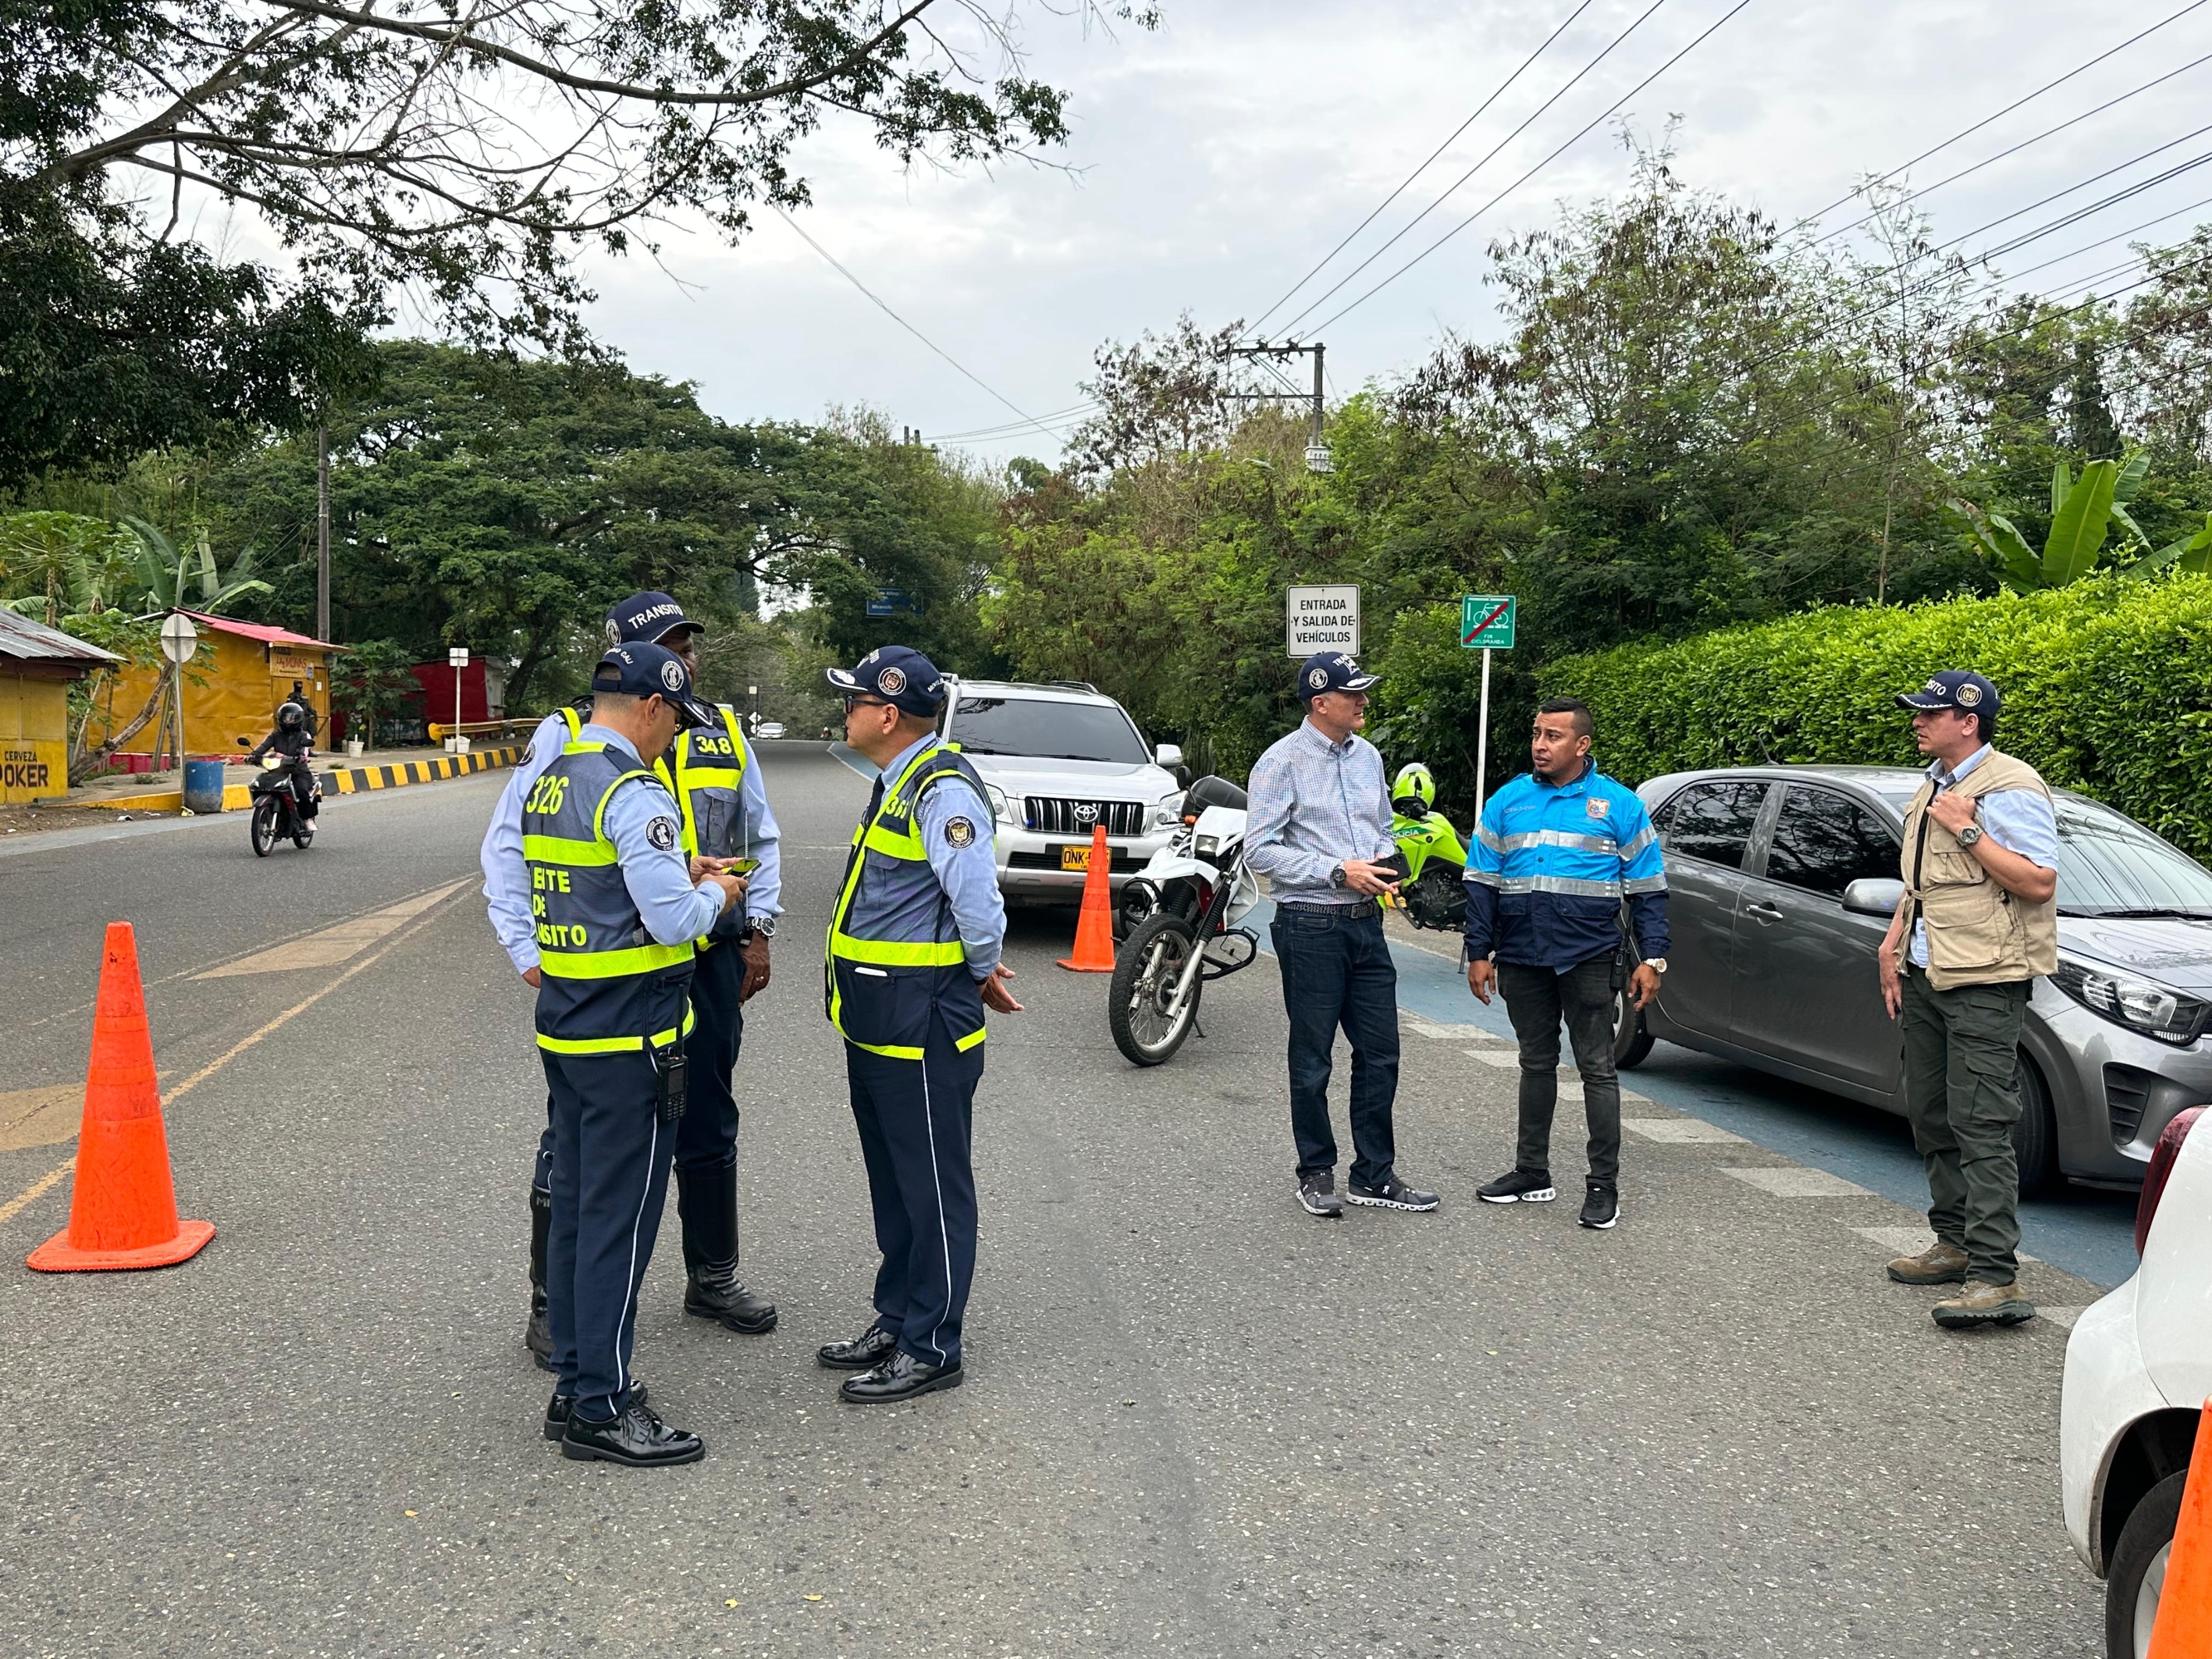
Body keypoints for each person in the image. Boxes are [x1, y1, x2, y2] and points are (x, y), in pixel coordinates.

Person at [482, 591, 783, 1366]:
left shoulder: (719, 730)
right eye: (670, 644)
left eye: (689, 641)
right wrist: (527, 947)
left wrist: (757, 929)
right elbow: (510, 847)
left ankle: (712, 1276)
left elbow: (761, 832)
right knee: (579, 1139)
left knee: (709, 1117)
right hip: (612, 970)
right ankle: (558, 1307)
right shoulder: (568, 733)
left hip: (704, 953)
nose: (687, 656)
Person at [525, 641, 745, 1465]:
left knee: (583, 1215)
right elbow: (674, 921)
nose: (674, 741)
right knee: (620, 1224)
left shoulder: (553, 779)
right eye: (674, 723)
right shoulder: (632, 788)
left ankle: (576, 1380)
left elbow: (597, 884)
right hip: (633, 1040)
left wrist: (672, 867)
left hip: (570, 1028)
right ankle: (602, 1404)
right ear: (651, 705)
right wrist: (714, 890)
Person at [816, 645, 1020, 1404]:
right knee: (895, 1181)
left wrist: (978, 970)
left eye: (854, 701)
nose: (848, 713)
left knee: (932, 1184)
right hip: (878, 1017)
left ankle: (933, 1344)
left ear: (888, 713)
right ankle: (898, 1314)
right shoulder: (896, 781)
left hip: (922, 1017)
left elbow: (974, 898)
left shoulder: (940, 787)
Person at [1878, 671, 2058, 1330]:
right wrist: (1893, 941)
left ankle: (1994, 1275)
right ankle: (1952, 1243)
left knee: (1981, 1122)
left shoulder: (2009, 786)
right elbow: (1923, 884)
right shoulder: (1934, 784)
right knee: (1929, 1112)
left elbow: (2037, 882)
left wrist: (1968, 831)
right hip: (1927, 970)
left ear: (1968, 721)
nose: (1917, 721)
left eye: (1929, 713)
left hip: (1985, 975)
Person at [1465, 698, 1670, 1231]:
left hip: (1588, 957)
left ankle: (1603, 1185)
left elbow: (1649, 891)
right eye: (1537, 733)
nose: (1540, 744)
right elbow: (1482, 883)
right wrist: (1478, 952)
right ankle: (1531, 1171)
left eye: (1553, 736)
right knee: (1535, 1063)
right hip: (1522, 956)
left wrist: (1653, 959)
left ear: (1582, 745)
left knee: (1596, 1069)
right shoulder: (1507, 800)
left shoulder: (1620, 805)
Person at [1247, 651, 1437, 1220]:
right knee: (1312, 1059)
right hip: (1310, 923)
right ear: (1319, 702)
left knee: (1381, 1054)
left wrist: (1385, 866)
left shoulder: (1367, 756)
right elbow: (1258, 849)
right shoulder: (1279, 762)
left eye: (1363, 692)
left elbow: (1378, 826)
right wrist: (1337, 870)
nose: (1363, 701)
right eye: (1352, 693)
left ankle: (1373, 1176)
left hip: (1365, 923)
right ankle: (1315, 1172)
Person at [244, 700, 320, 821]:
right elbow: (263, 747)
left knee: (301, 791)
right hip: (278, 771)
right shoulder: (275, 735)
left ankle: (307, 819)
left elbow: (304, 752)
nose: (287, 721)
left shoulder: (304, 736)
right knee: (258, 785)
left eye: (291, 718)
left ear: (298, 719)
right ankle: (266, 813)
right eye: (285, 718)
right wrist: (252, 756)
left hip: (298, 771)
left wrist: (300, 758)